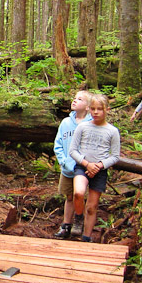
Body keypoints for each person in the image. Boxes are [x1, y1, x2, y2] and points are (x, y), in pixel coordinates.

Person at [69, 94, 120, 243]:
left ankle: (86, 237)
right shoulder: (83, 127)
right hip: (82, 166)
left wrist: (100, 165)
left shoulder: (112, 131)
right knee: (78, 193)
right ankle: (78, 218)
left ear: (107, 110)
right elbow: (73, 150)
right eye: (93, 109)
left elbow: (115, 156)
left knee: (92, 206)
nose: (96, 112)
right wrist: (87, 164)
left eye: (99, 109)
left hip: (100, 171)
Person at [53, 91, 93, 239]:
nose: (75, 101)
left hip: (83, 167)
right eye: (74, 98)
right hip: (67, 168)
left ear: (88, 107)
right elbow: (58, 144)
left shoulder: (90, 124)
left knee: (80, 195)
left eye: (80, 99)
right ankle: (66, 226)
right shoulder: (65, 123)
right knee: (69, 196)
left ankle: (80, 222)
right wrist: (63, 161)